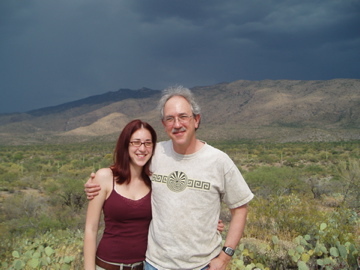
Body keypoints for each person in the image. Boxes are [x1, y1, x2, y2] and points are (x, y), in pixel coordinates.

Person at [85, 86, 254, 270]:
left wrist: (224, 257)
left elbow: (240, 209)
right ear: (164, 125)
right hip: (155, 265)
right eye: (170, 119)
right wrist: (98, 180)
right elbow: (130, 163)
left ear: (196, 120)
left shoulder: (219, 161)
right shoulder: (155, 153)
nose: (177, 124)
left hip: (203, 265)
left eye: (183, 116)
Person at [84, 119, 157, 270]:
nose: (142, 148)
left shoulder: (155, 181)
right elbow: (91, 229)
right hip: (108, 265)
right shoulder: (105, 177)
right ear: (126, 144)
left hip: (146, 266)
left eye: (148, 143)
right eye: (136, 142)